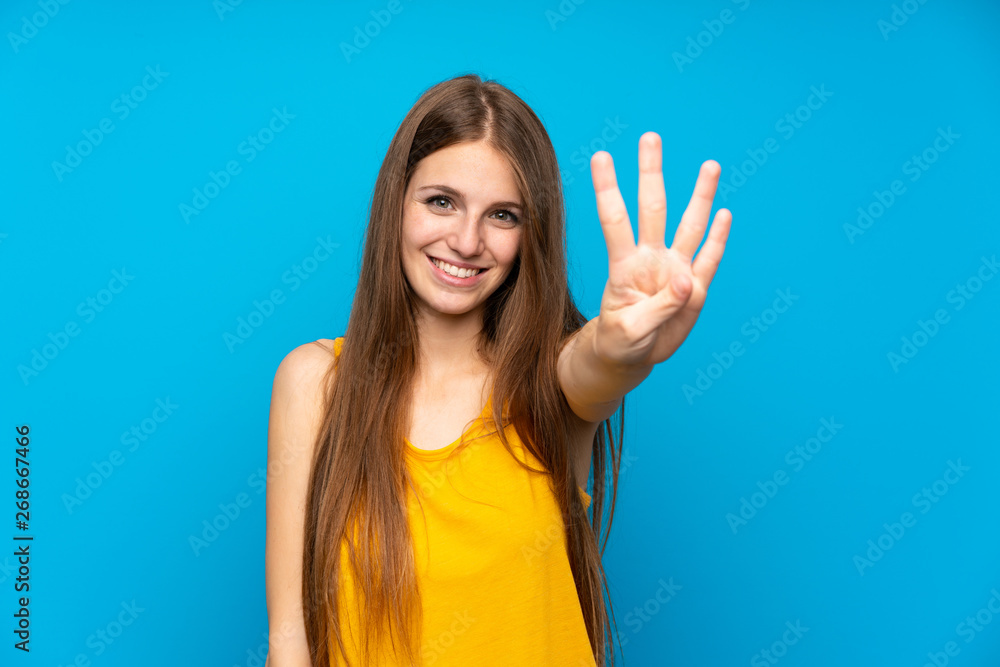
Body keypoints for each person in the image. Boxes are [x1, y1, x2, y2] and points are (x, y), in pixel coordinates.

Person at [263, 73, 731, 667]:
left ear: (528, 235)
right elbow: (290, 640)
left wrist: (620, 345)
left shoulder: (548, 377)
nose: (466, 240)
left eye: (503, 215)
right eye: (441, 201)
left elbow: (595, 367)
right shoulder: (313, 383)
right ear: (395, 203)